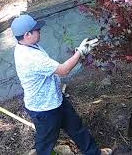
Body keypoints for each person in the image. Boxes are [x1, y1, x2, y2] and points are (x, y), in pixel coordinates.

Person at [11, 14, 112, 155]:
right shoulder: (31, 58)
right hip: (44, 110)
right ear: (27, 35)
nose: (40, 31)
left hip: (56, 100)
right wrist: (80, 52)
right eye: (36, 29)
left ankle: (94, 153)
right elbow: (64, 70)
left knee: (77, 127)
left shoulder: (27, 46)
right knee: (45, 145)